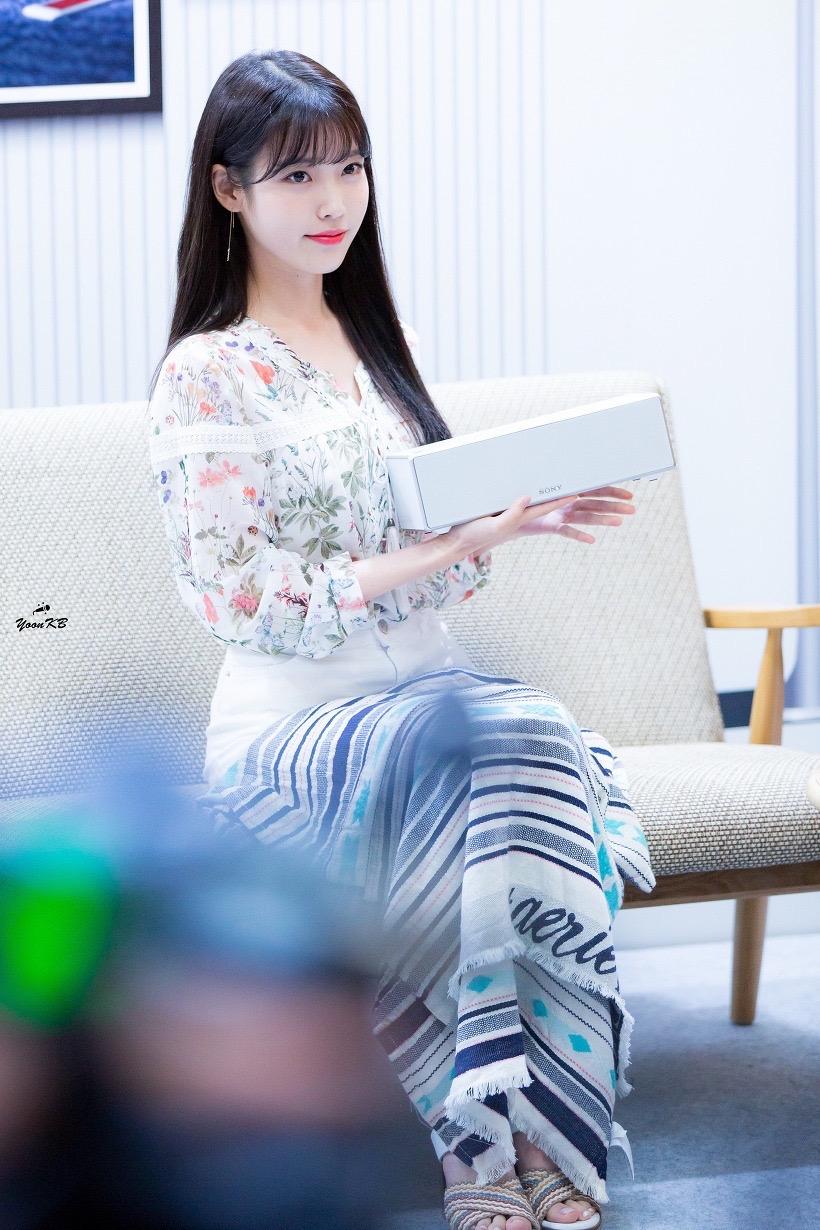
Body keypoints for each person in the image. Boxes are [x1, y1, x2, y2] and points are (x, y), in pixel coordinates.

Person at [145, 48, 657, 1230]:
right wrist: (446, 547)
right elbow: (243, 600)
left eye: (350, 169)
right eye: (297, 176)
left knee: (524, 737)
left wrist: (509, 523)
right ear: (228, 189)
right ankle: (476, 1147)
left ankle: (541, 1135)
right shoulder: (205, 375)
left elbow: (433, 562)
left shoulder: (384, 346)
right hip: (290, 728)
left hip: (427, 696)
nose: (332, 201)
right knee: (457, 756)